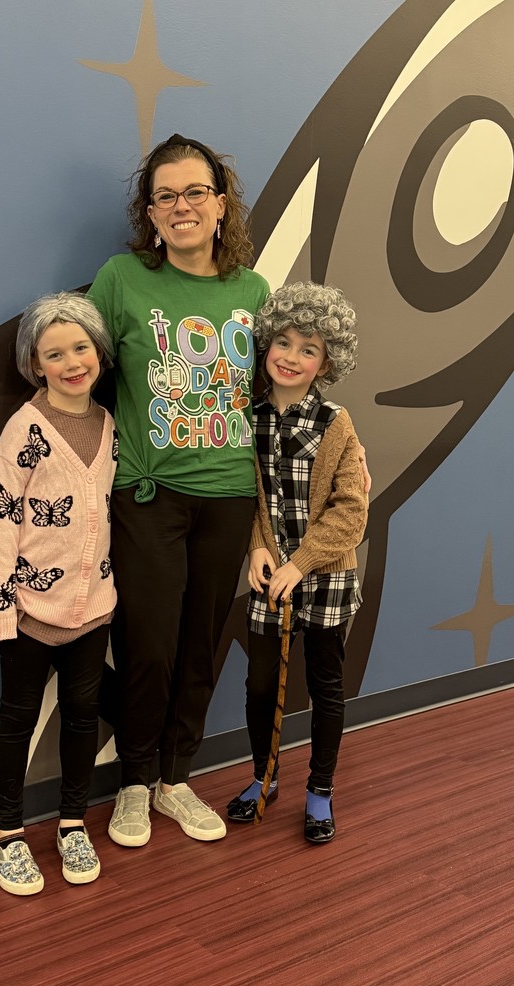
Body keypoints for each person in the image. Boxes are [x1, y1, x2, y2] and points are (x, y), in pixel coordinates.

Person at [87, 133, 271, 846]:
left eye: (195, 192)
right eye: (165, 196)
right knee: (148, 646)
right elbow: (79, 372)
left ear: (221, 205)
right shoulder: (121, 278)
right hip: (149, 493)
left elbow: (271, 398)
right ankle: (134, 783)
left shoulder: (253, 291)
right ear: (150, 212)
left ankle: (175, 780)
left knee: (200, 645)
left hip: (228, 495)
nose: (181, 206)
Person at [0, 291, 117, 894]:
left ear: (99, 352)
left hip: (94, 609)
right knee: (18, 717)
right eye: (54, 353)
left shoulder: (109, 425)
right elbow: (0, 523)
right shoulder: (23, 431)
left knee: (83, 714)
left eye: (80, 348)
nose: (71, 363)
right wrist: (0, 610)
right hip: (30, 612)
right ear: (35, 364)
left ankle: (72, 822)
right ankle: (8, 833)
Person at [225, 281, 368, 844]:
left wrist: (302, 562)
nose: (291, 357)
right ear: (266, 345)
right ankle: (264, 776)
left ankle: (320, 789)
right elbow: (244, 494)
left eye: (308, 349)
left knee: (326, 685)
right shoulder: (246, 418)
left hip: (325, 576)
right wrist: (257, 546)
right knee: (261, 685)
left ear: (326, 363)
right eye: (282, 343)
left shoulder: (336, 422)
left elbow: (351, 509)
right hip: (269, 578)